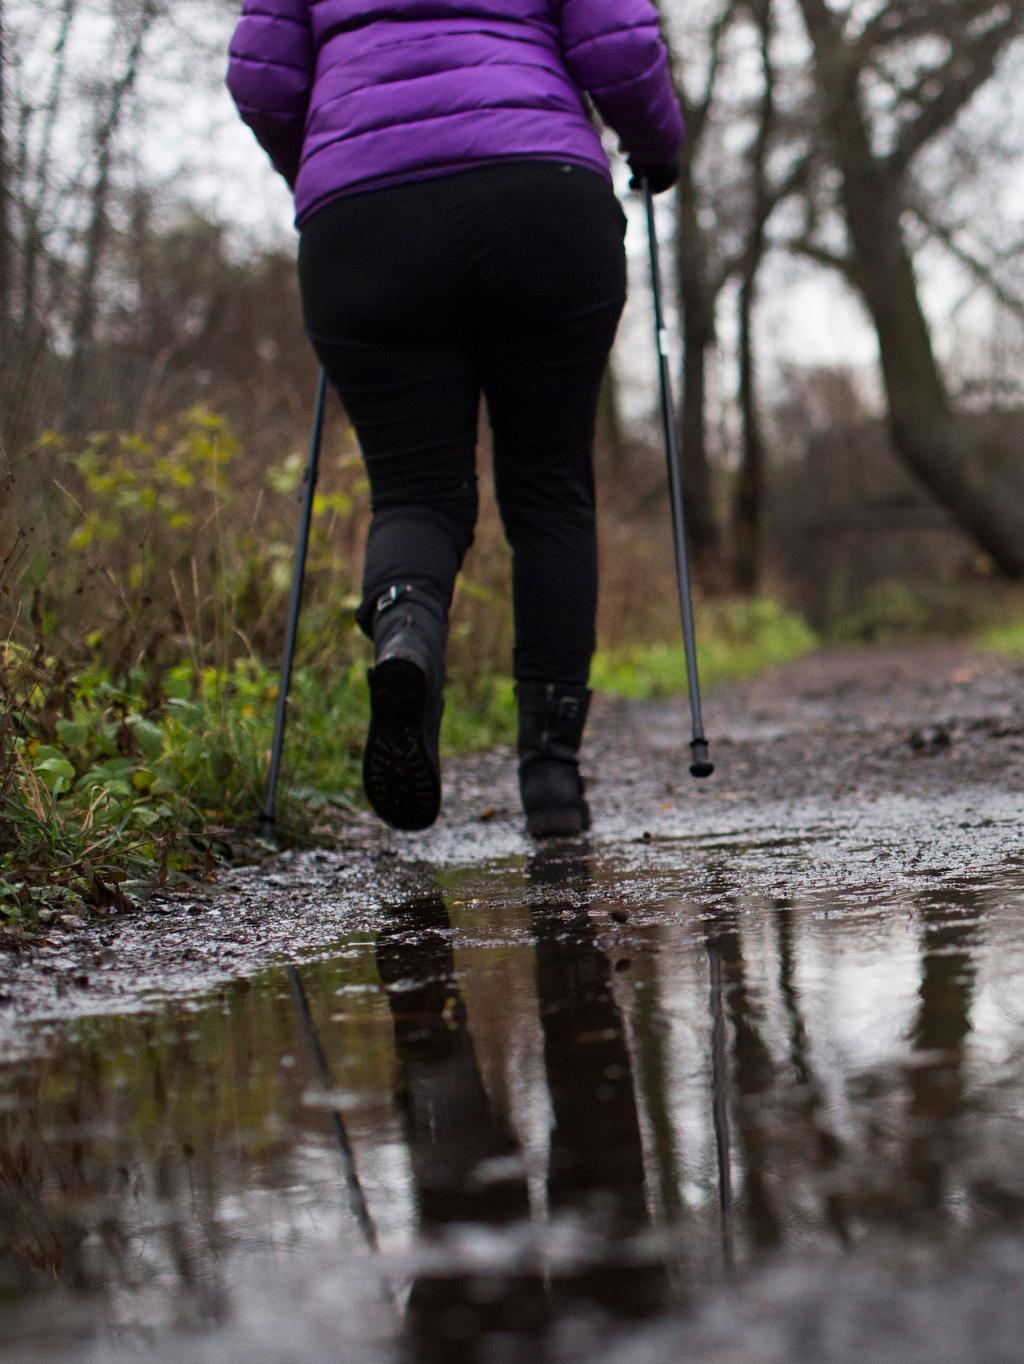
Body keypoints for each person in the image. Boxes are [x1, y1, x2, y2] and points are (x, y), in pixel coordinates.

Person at [227, 0, 683, 838]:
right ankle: (551, 778)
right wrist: (657, 148)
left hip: (364, 220)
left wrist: (327, 166)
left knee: (413, 494)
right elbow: (618, 41)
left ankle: (406, 635)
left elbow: (261, 73)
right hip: (539, 200)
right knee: (548, 491)